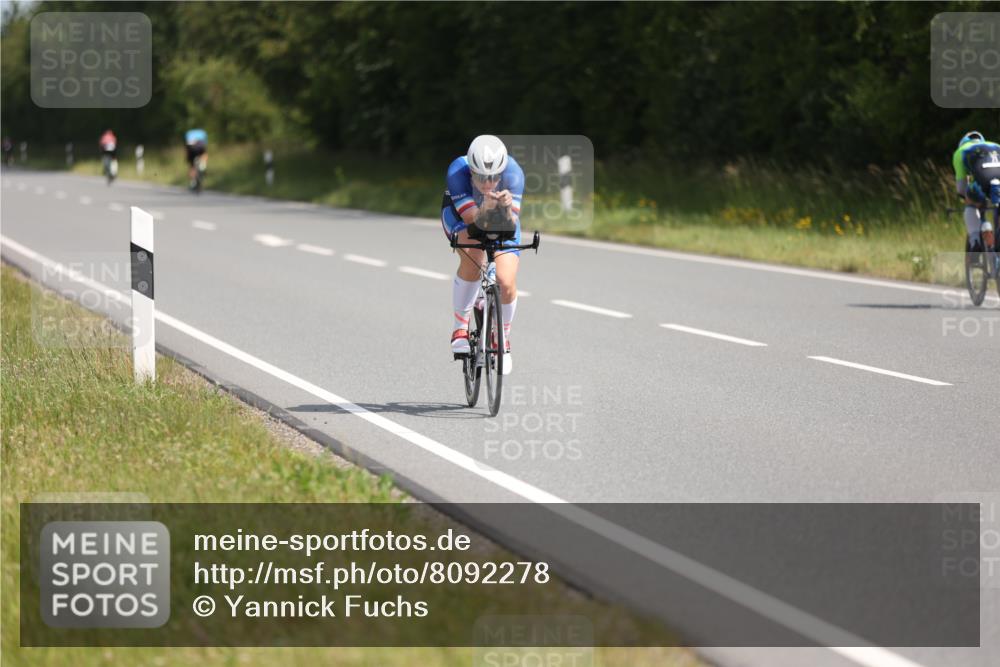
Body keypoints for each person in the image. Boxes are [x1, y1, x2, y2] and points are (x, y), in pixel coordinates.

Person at [441, 135, 524, 375]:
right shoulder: (458, 171)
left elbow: (510, 224)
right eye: (480, 177)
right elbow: (472, 221)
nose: (488, 183)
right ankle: (460, 326)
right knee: (475, 255)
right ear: (471, 171)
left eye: (494, 178)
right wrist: (487, 207)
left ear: (502, 172)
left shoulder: (514, 173)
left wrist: (506, 207)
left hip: (501, 221)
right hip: (461, 219)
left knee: (506, 281)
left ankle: (503, 339)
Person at [953, 130, 1000, 253]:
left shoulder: (961, 152)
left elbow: (961, 188)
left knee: (971, 202)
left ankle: (975, 241)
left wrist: (968, 199)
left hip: (983, 183)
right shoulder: (996, 146)